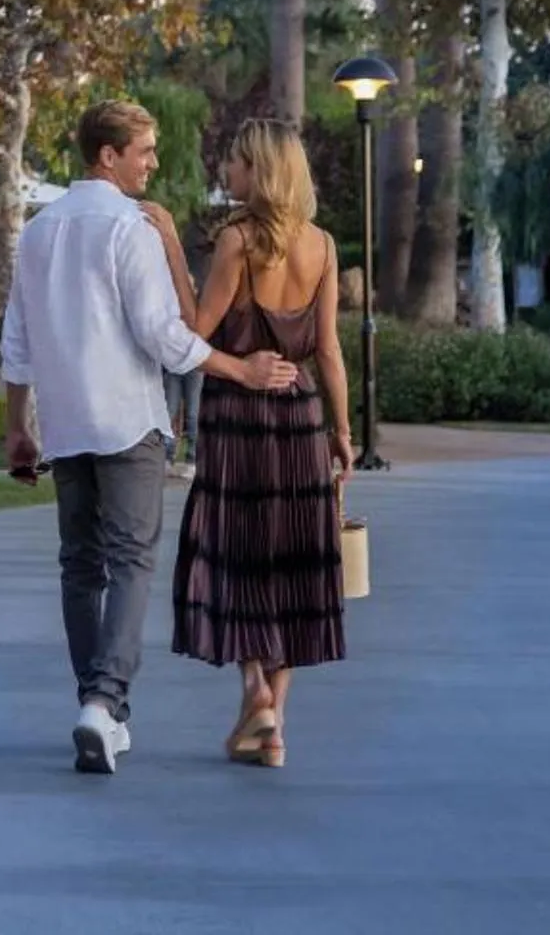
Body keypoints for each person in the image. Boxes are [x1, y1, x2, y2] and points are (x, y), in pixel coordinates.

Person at [2, 100, 300, 777]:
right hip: (128, 423)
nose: (153, 162)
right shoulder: (127, 228)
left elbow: (15, 341)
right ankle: (105, 703)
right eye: (145, 150)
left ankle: (97, 707)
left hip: (68, 425)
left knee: (80, 565)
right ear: (108, 155)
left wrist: (17, 428)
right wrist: (240, 369)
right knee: (131, 561)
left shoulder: (40, 230)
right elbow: (166, 337)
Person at [169, 118, 350, 770]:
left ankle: (254, 691)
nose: (228, 171)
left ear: (262, 172)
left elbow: (194, 334)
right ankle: (271, 728)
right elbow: (328, 350)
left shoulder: (237, 241)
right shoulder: (324, 247)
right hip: (302, 418)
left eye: (238, 162)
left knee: (238, 552)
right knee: (296, 559)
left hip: (238, 416)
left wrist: (167, 243)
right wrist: (344, 434)